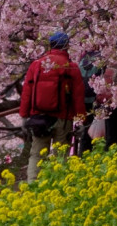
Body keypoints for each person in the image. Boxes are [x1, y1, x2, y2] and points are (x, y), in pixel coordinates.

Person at [19, 31, 86, 180]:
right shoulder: (71, 67)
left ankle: (33, 184)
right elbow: (78, 96)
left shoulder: (36, 65)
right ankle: (57, 184)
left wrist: (24, 116)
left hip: (39, 117)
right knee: (60, 155)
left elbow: (27, 93)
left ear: (50, 46)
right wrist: (81, 120)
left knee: (37, 154)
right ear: (67, 46)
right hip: (63, 118)